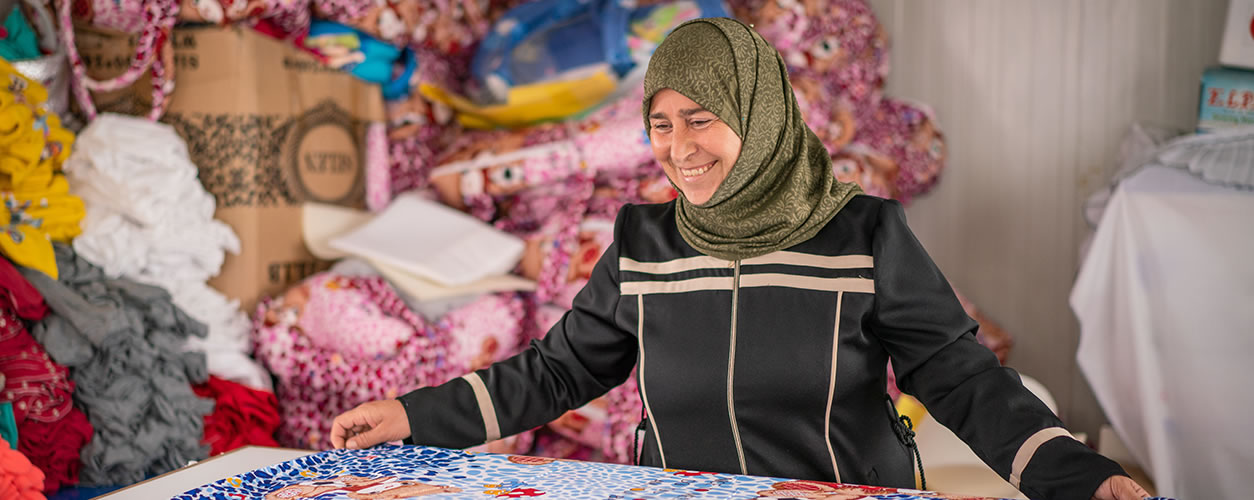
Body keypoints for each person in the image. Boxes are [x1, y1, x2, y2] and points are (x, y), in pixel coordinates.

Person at [329, 17, 1150, 500]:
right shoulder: (644, 246)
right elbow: (556, 373)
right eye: (661, 122)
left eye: (703, 118)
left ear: (756, 113)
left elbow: (962, 380)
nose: (679, 147)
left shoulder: (863, 235)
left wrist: (1076, 475)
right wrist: (411, 416)